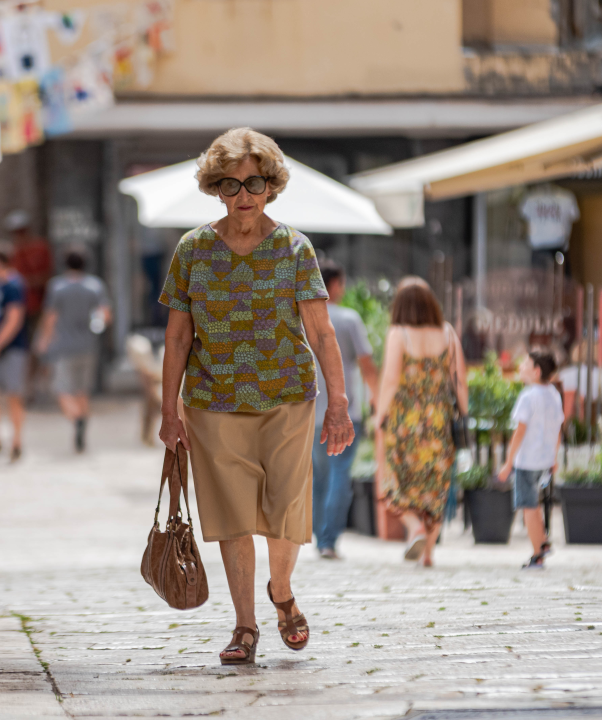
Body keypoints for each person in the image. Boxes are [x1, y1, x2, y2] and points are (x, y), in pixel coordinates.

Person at [158, 127, 355, 666]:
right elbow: (177, 335)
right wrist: (167, 409)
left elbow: (321, 333)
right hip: (213, 401)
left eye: (253, 182)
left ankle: (282, 590)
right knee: (234, 516)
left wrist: (339, 404)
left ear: (271, 185)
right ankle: (244, 626)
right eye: (229, 184)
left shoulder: (296, 248)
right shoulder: (192, 250)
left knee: (287, 505)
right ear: (214, 188)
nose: (242, 194)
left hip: (288, 396)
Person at [374, 277, 468, 568]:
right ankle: (428, 552)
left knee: (396, 482)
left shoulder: (398, 334)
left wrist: (379, 417)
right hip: (439, 421)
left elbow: (390, 380)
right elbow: (460, 381)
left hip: (406, 422)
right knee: (435, 485)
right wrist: (463, 416)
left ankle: (414, 527)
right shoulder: (449, 333)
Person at [311, 260, 380, 560]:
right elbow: (367, 365)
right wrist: (377, 400)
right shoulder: (350, 319)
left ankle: (318, 536)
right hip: (345, 414)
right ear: (336, 284)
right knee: (340, 475)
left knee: (319, 477)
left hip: (311, 413)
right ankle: (328, 539)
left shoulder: (304, 318)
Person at [35, 246, 111, 453]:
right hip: (88, 345)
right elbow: (105, 315)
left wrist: (44, 340)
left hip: (64, 346)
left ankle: (77, 419)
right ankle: (82, 425)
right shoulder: (95, 286)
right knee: (82, 390)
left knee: (61, 390)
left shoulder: (57, 287)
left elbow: (51, 317)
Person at [498, 350, 564, 570]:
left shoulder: (528, 396)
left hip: (527, 461)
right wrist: (554, 457)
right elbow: (558, 429)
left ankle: (538, 550)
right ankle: (541, 542)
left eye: (525, 364)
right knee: (533, 504)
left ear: (536, 371)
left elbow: (520, 431)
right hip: (544, 460)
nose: (520, 368)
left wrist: (508, 462)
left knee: (527, 506)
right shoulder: (554, 394)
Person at [0, 244, 30, 461]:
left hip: (11, 349)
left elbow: (14, 319)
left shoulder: (14, 284)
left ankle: (17, 440)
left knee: (14, 395)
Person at [5, 210, 54, 398]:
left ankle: (31, 385)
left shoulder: (40, 248)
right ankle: (22, 387)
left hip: (37, 306)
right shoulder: (13, 252)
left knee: (37, 346)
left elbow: (46, 275)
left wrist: (28, 281)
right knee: (20, 348)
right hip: (18, 307)